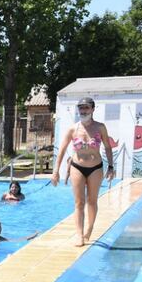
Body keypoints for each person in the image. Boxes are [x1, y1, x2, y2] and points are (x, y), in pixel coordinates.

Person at [52, 97, 115, 246]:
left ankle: (90, 228)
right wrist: (56, 170)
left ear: (93, 109)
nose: (83, 111)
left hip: (95, 168)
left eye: (86, 107)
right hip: (77, 167)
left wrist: (111, 166)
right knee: (79, 202)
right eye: (81, 108)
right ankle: (79, 234)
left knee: (92, 201)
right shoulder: (73, 129)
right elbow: (62, 149)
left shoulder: (100, 127)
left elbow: (107, 146)